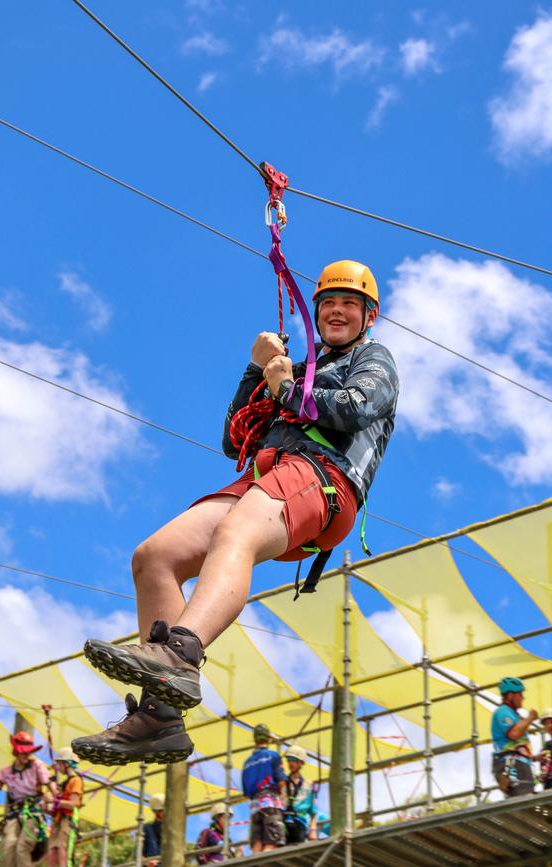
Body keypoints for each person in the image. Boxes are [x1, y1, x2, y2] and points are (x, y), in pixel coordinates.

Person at [72, 260, 399, 765]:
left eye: (349, 304)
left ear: (368, 316)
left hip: (325, 479)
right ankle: (159, 718)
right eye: (329, 303)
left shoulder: (373, 358)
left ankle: (179, 653)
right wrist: (257, 371)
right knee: (155, 556)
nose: (337, 311)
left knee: (236, 531)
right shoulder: (293, 366)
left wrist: (285, 386)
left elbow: (357, 407)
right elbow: (233, 440)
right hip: (268, 475)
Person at [0, 731, 58, 867]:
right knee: (8, 847)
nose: (27, 755)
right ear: (16, 752)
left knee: (23, 847)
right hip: (14, 814)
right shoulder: (6, 772)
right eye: (24, 752)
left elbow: (49, 783)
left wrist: (58, 796)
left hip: (33, 812)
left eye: (28, 752)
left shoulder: (37, 766)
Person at [242, 724, 286, 853]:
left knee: (257, 845)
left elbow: (246, 793)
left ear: (254, 739)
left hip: (255, 806)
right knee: (273, 843)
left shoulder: (247, 762)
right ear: (268, 738)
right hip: (271, 803)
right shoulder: (273, 756)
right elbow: (282, 781)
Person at [491, 677, 537, 797]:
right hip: (512, 763)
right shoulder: (502, 711)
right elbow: (514, 734)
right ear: (510, 695)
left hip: (519, 763)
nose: (523, 697)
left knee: (527, 802)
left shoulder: (513, 715)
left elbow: (519, 744)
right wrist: (530, 718)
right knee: (524, 801)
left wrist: (535, 758)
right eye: (520, 694)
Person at [47, 747, 83, 867]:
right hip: (58, 821)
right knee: (52, 852)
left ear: (66, 764)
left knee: (61, 850)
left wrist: (55, 801)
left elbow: (73, 804)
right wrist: (47, 807)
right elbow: (58, 806)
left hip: (67, 821)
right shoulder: (65, 783)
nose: (58, 767)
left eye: (60, 764)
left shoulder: (76, 781)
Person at [283, 745, 317, 844]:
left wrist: (313, 831)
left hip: (299, 824)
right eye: (288, 760)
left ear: (301, 762)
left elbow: (313, 811)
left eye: (293, 760)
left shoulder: (308, 785)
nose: (290, 763)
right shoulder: (282, 783)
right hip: (283, 824)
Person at [142, 793, 164, 867]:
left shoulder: (173, 830)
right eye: (162, 810)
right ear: (157, 812)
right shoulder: (147, 828)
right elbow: (138, 854)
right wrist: (147, 863)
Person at [536, 708, 552, 790]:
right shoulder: (546, 748)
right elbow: (544, 773)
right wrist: (536, 779)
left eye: (551, 722)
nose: (549, 725)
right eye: (546, 723)